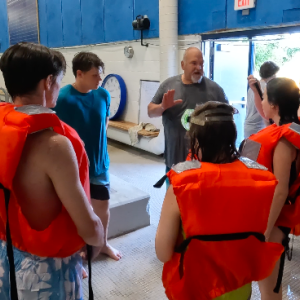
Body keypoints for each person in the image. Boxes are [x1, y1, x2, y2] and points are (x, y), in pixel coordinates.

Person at [0, 42, 104, 299]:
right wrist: (98, 238)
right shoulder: (54, 144)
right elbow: (87, 226)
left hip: (5, 253)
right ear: (48, 82)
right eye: (58, 81)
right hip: (44, 270)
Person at [155, 101, 283, 300]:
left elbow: (163, 253)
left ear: (196, 141)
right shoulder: (261, 180)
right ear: (232, 137)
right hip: (239, 289)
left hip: (195, 290)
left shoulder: (181, 187)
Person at [54, 52, 121, 261]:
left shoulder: (103, 95)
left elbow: (105, 121)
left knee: (102, 207)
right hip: (74, 167)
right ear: (80, 74)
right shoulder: (63, 98)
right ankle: (76, 253)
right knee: (76, 212)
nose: (100, 80)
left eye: (100, 75)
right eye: (95, 76)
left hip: (100, 164)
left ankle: (103, 244)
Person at [241, 77, 300, 300]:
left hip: (274, 221)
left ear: (274, 105)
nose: (261, 103)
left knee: (269, 288)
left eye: (264, 98)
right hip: (269, 216)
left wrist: (264, 232)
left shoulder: (284, 141)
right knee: (267, 283)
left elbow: (281, 190)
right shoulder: (283, 130)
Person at [148, 47, 228, 187]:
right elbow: (150, 111)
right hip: (175, 160)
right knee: (174, 203)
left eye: (201, 64)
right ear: (183, 65)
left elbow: (227, 118)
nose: (199, 67)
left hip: (205, 163)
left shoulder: (215, 90)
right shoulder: (169, 86)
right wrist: (162, 107)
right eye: (194, 63)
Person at [244, 61, 279, 138]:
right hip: (258, 126)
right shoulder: (266, 88)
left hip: (248, 125)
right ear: (273, 74)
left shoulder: (253, 87)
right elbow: (266, 112)